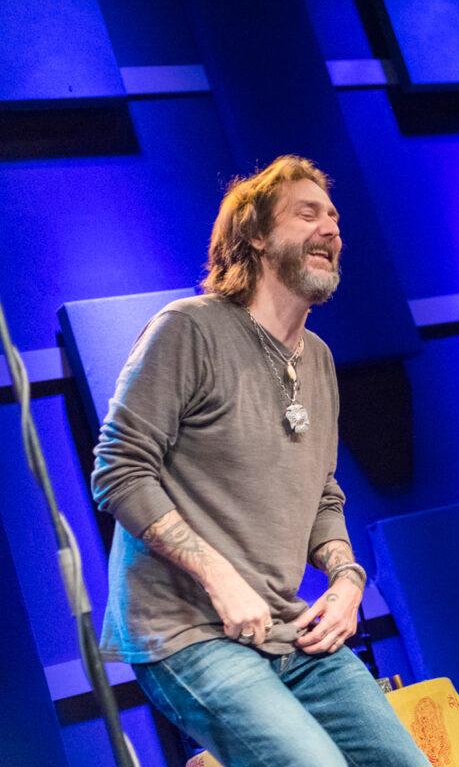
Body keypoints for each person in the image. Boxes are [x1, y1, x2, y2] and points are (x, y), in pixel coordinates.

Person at [92, 155, 430, 766]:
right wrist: (221, 578)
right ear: (255, 234)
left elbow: (323, 493)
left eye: (334, 218)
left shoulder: (319, 359)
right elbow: (119, 469)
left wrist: (347, 581)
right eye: (307, 214)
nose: (331, 229)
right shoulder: (189, 329)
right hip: (186, 632)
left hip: (286, 629)